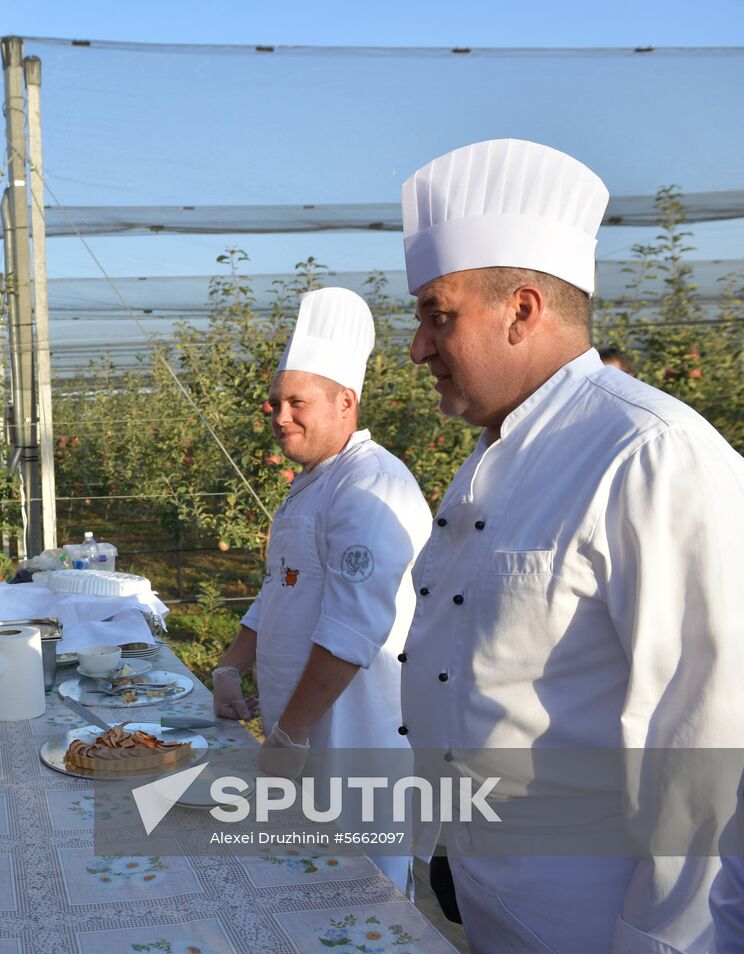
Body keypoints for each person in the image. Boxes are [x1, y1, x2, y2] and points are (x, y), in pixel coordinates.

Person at [398, 138, 744, 952]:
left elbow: (708, 737)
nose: (418, 348)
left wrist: (662, 940)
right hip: (485, 888)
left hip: (591, 922)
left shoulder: (650, 453)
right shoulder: (493, 456)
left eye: (436, 315)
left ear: (522, 309)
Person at [211, 286, 432, 892]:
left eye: (297, 402)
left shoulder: (369, 487)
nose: (280, 416)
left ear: (345, 401)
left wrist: (289, 733)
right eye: (275, 403)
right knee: (308, 892)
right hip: (304, 733)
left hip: (349, 738)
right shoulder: (311, 483)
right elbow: (279, 587)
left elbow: (353, 627)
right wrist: (230, 667)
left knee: (363, 895)